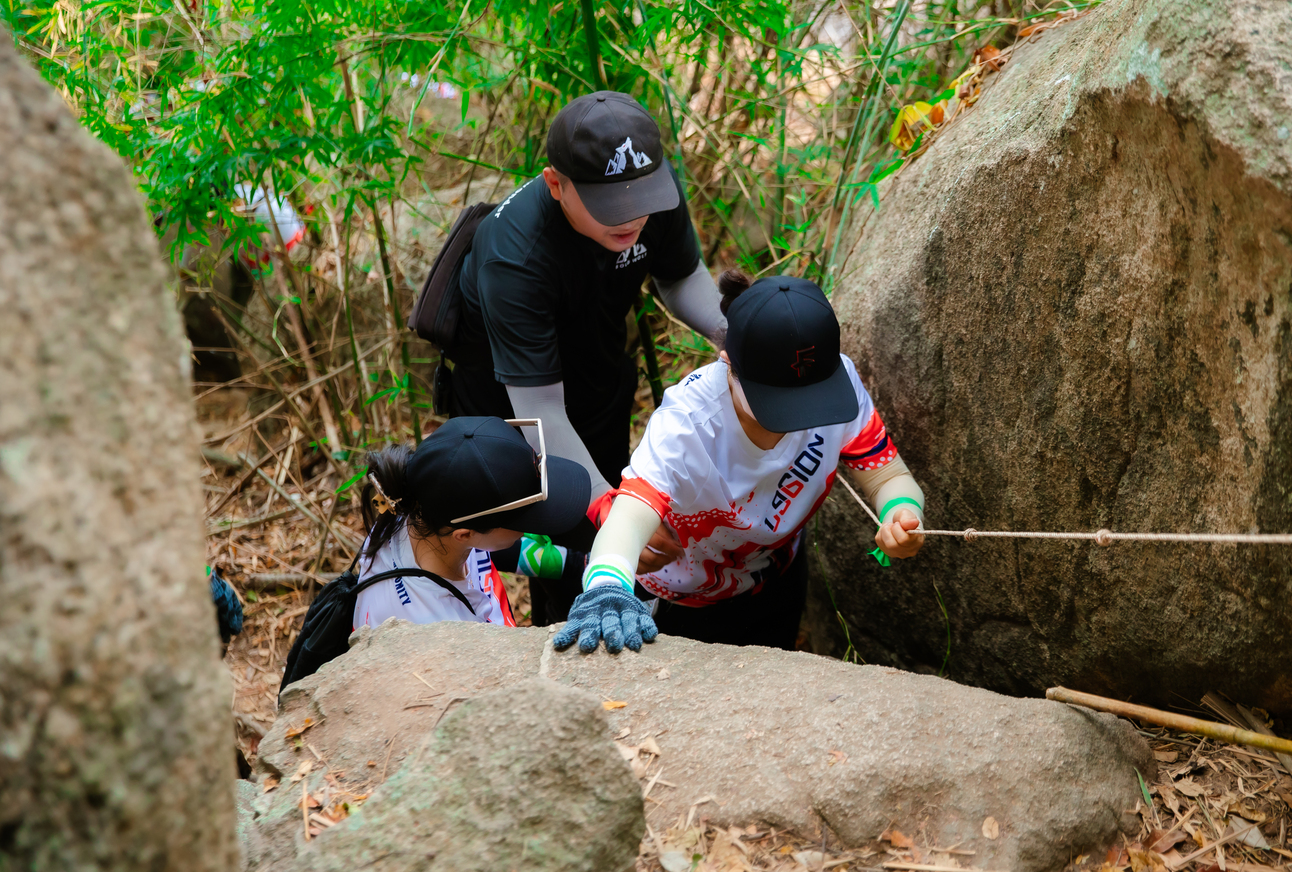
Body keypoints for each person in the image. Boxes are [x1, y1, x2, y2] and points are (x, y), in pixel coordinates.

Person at [444, 91, 727, 622]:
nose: (633, 218)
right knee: (549, 540)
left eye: (641, 199)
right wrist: (603, 506)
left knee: (597, 545)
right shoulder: (515, 255)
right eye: (611, 207)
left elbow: (681, 275)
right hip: (509, 408)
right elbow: (540, 410)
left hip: (596, 381)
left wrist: (735, 335)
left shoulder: (650, 198)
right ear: (556, 184)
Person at [553, 272, 927, 654]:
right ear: (728, 363)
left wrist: (901, 513)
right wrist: (607, 589)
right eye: (780, 403)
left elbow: (888, 477)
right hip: (682, 600)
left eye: (814, 399)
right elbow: (628, 518)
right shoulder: (687, 426)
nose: (803, 418)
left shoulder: (838, 381)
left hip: (776, 577)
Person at [351, 416, 591, 630]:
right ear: (464, 535)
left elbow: (493, 551)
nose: (529, 528)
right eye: (522, 519)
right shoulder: (436, 629)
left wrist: (577, 564)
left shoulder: (420, 511)